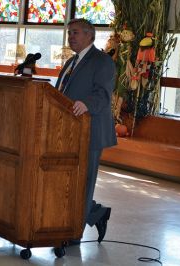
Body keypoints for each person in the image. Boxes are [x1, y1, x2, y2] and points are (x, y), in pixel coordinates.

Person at [55, 18, 117, 244]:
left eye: (76, 33)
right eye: (70, 32)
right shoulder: (71, 62)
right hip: (69, 130)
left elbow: (103, 94)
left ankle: (73, 233)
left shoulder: (102, 62)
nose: (71, 36)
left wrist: (86, 103)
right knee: (69, 180)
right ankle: (96, 213)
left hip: (90, 131)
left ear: (90, 36)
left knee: (84, 181)